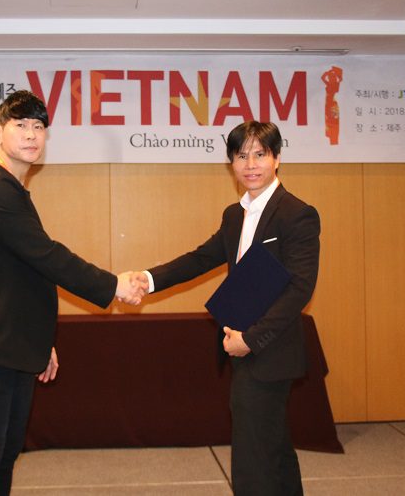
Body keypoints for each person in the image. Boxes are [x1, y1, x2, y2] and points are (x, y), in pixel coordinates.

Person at [0, 90, 144, 495]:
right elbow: (48, 256)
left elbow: (27, 273)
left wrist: (39, 342)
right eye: (20, 125)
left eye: (38, 126)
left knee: (5, 453)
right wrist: (114, 285)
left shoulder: (13, 190)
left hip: (12, 344)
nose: (31, 134)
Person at [136, 120, 320, 496]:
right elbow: (201, 258)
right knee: (272, 446)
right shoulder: (235, 215)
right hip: (241, 343)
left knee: (253, 457)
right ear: (231, 163)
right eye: (241, 156)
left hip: (269, 349)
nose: (250, 164)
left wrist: (251, 339)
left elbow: (299, 289)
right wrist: (148, 279)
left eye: (260, 154)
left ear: (277, 158)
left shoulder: (296, 214)